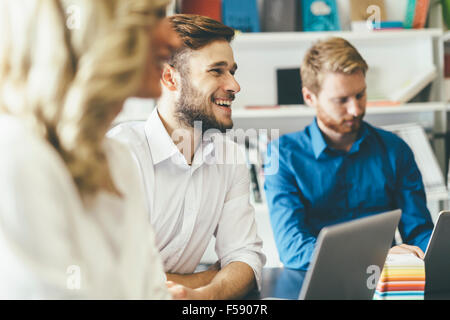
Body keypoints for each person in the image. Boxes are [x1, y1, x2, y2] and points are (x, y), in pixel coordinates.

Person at [0, 0, 182, 299]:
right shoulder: (17, 158)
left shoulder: (117, 159)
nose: (174, 39)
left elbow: (153, 293)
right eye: (155, 15)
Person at [108, 14, 266, 300]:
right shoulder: (121, 154)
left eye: (232, 71)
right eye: (217, 71)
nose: (234, 86)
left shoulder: (229, 156)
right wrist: (208, 277)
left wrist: (205, 296)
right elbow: (115, 278)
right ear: (170, 78)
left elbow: (246, 257)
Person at [264, 37, 434, 271]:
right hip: (317, 280)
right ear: (309, 97)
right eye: (341, 100)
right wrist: (375, 256)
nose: (355, 109)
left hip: (384, 280)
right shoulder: (282, 155)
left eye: (360, 95)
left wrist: (433, 249)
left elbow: (418, 231)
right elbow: (293, 247)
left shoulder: (395, 149)